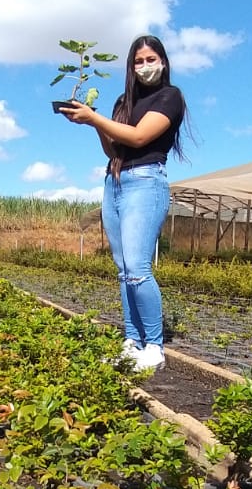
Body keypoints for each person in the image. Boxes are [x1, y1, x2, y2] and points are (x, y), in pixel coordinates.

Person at [60, 34, 186, 372]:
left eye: (151, 59)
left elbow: (140, 137)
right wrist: (95, 123)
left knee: (138, 270)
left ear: (163, 62)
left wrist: (96, 119)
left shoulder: (170, 97)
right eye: (138, 61)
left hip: (146, 182)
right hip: (114, 182)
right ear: (131, 67)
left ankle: (154, 348)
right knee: (123, 271)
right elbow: (115, 149)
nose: (145, 66)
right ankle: (132, 342)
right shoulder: (123, 102)